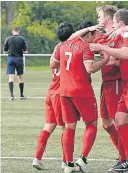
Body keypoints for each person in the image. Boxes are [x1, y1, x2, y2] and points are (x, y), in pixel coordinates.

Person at [71, 5, 128, 170]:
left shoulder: (118, 35)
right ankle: (124, 155)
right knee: (106, 124)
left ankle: (126, 158)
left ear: (108, 18)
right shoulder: (100, 36)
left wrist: (110, 58)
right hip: (106, 83)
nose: (98, 20)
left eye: (100, 16)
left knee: (117, 122)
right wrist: (88, 29)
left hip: (117, 82)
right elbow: (73, 38)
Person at [90, 9, 128, 173]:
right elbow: (120, 60)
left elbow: (124, 54)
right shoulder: (123, 33)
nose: (115, 26)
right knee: (119, 119)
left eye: (116, 23)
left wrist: (103, 47)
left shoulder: (127, 34)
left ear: (120, 23)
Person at [52, 21, 110, 173]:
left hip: (64, 92)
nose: (96, 37)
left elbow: (53, 64)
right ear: (89, 33)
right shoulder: (84, 47)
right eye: (94, 34)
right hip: (81, 91)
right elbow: (90, 68)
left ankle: (68, 164)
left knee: (69, 128)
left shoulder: (63, 45)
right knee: (91, 124)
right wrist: (105, 60)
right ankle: (82, 160)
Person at [32, 22, 76, 171]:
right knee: (66, 128)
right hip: (60, 94)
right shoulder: (68, 49)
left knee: (48, 127)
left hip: (50, 92)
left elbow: (53, 63)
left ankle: (37, 158)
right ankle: (66, 161)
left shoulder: (57, 48)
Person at [3, 27, 28, 100]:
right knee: (20, 77)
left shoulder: (8, 39)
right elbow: (25, 51)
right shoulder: (22, 39)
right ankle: (21, 95)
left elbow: (5, 50)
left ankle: (11, 96)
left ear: (12, 31)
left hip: (10, 59)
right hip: (19, 59)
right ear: (19, 31)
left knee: (11, 77)